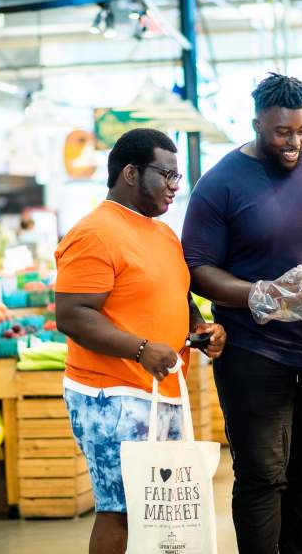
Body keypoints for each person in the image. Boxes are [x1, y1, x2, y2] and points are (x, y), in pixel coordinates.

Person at [181, 73, 302, 554]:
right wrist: (259, 295)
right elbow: (197, 268)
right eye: (282, 132)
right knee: (262, 476)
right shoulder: (220, 183)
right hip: (253, 352)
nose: (294, 142)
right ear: (256, 124)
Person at [55, 128, 226, 554]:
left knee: (160, 511)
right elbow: (72, 314)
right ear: (130, 173)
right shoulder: (95, 232)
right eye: (166, 175)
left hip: (159, 391)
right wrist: (141, 348)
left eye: (177, 178)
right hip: (110, 395)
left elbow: (176, 294)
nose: (173, 187)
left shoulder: (162, 233)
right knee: (122, 511)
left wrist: (198, 328)